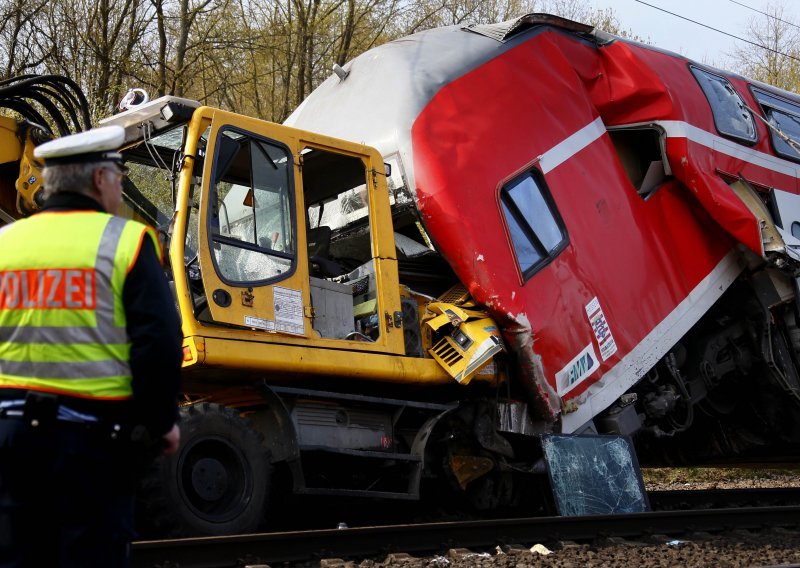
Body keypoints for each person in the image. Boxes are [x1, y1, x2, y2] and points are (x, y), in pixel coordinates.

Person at [0, 124, 182, 567]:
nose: (121, 185)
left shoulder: (5, 244)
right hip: (92, 446)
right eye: (119, 175)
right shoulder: (128, 242)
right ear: (99, 179)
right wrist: (162, 422)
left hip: (8, 440)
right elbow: (157, 341)